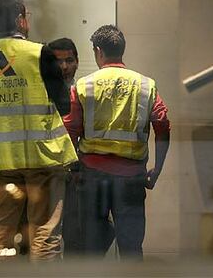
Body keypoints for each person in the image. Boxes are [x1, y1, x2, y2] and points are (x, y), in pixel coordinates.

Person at [0, 0, 78, 261]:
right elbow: (64, 105)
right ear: (20, 19)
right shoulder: (39, 53)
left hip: (1, 161)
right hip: (43, 158)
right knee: (44, 233)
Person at [65, 25, 170, 259]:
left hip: (93, 177)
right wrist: (158, 169)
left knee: (92, 249)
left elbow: (70, 129)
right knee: (132, 249)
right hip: (131, 178)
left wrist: (73, 169)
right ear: (122, 50)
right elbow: (162, 126)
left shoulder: (84, 85)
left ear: (98, 51)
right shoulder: (145, 85)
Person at [48, 37, 116, 257]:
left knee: (80, 236)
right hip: (47, 173)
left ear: (77, 61)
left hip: (77, 174)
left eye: (69, 60)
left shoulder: (84, 91)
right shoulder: (41, 94)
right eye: (59, 61)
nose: (64, 66)